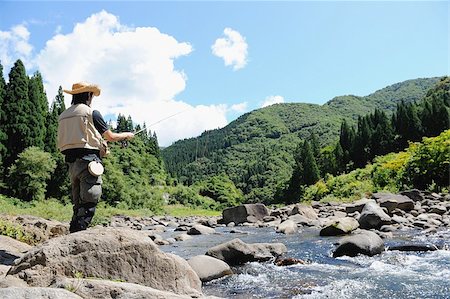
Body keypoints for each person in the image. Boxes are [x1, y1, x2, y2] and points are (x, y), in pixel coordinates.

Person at [57, 82, 134, 233]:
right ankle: (79, 235)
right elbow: (110, 136)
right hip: (89, 164)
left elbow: (78, 137)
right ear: (88, 95)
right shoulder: (91, 113)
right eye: (91, 95)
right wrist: (127, 135)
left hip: (71, 165)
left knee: (78, 203)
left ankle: (73, 232)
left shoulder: (63, 115)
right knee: (89, 201)